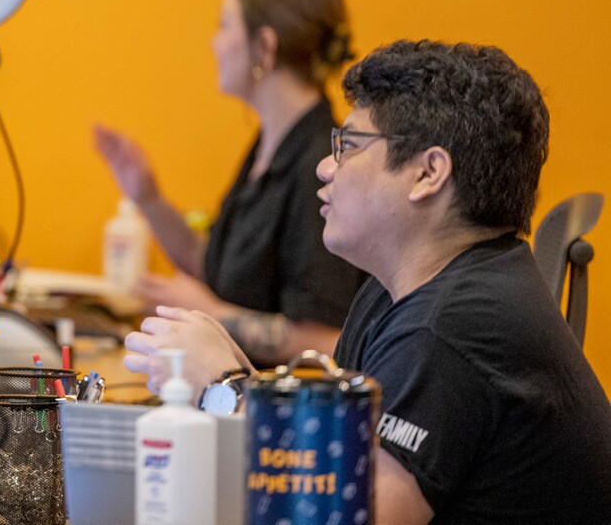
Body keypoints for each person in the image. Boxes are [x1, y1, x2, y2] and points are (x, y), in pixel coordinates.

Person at [126, 40, 611, 522]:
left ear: (428, 173)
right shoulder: (402, 289)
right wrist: (251, 388)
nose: (325, 165)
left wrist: (221, 389)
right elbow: (337, 456)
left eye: (349, 146)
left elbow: (339, 513)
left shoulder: (449, 330)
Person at [94, 0, 363, 366]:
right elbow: (217, 270)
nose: (213, 43)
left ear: (265, 48)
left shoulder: (319, 167)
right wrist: (147, 198)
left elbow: (327, 340)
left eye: (224, 26)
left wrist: (213, 316)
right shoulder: (267, 145)